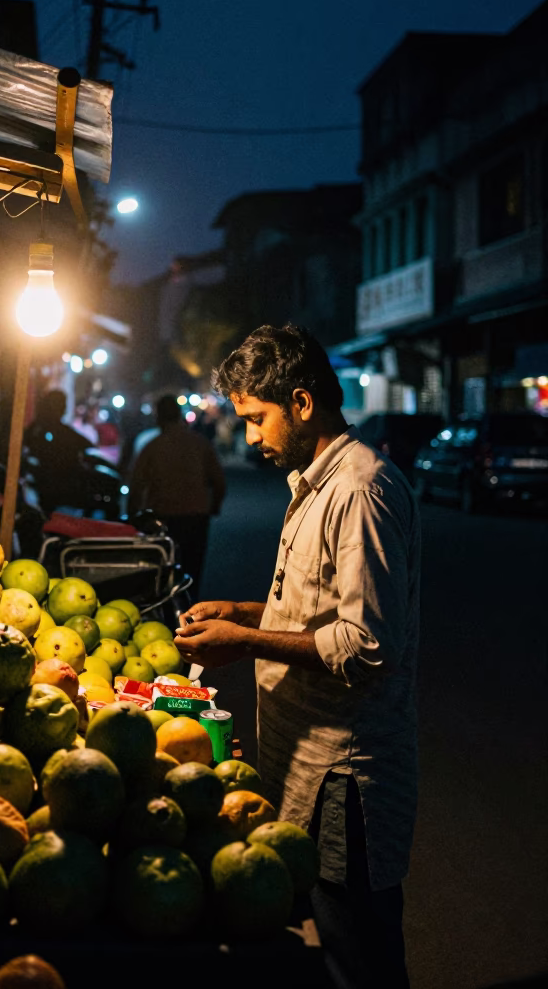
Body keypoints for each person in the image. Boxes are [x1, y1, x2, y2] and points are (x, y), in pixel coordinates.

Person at [174, 324, 419, 989]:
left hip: (341, 779)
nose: (250, 437)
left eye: (257, 419)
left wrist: (245, 642)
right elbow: (318, 612)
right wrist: (241, 613)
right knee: (325, 944)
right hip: (302, 772)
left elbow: (367, 645)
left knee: (355, 957)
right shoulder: (313, 482)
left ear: (302, 403)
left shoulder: (360, 491)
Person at [127, 394, 226, 596]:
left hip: (162, 518)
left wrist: (132, 520)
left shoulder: (153, 447)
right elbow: (219, 481)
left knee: (162, 570)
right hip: (196, 516)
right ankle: (190, 612)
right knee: (192, 570)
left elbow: (136, 487)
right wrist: (213, 507)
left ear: (158, 417)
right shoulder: (200, 444)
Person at [23, 389, 94, 515]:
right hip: (54, 485)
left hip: (56, 485)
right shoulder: (48, 428)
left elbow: (85, 444)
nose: (64, 409)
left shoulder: (52, 428)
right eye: (62, 405)